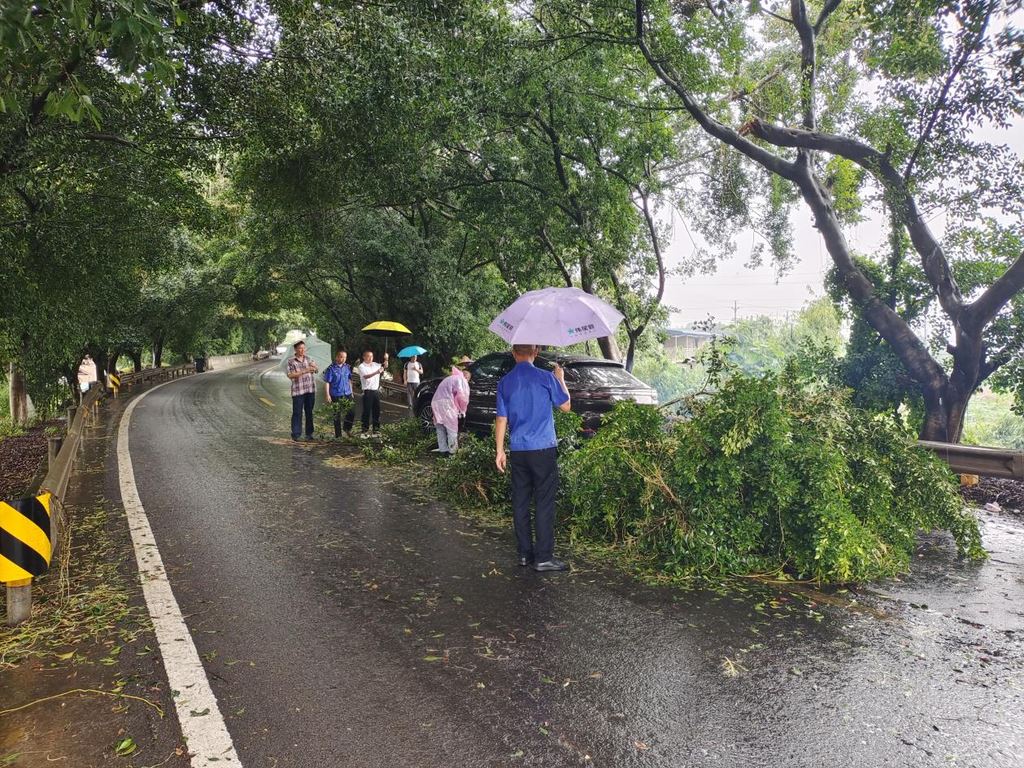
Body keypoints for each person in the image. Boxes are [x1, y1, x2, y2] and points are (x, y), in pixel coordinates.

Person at [495, 344, 571, 572]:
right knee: (544, 502)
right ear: (535, 352)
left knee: (520, 501)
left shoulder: (505, 382)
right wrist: (560, 379)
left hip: (518, 450)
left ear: (513, 353)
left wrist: (500, 450)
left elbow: (501, 419)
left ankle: (524, 555)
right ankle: (544, 557)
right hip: (543, 449)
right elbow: (566, 405)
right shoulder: (546, 378)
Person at [431, 362, 470, 456]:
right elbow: (462, 397)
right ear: (466, 377)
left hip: (436, 403)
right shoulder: (461, 380)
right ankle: (452, 453)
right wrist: (463, 410)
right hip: (446, 404)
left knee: (440, 427)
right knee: (452, 428)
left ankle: (443, 451)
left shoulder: (450, 378)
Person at [286, 340, 318, 441]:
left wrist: (315, 367)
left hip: (310, 389)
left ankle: (309, 433)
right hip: (298, 391)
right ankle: (296, 434)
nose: (302, 350)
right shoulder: (291, 361)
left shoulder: (309, 359)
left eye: (304, 348)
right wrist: (305, 370)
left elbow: (316, 370)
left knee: (309, 412)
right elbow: (290, 375)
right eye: (300, 348)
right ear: (295, 349)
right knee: (297, 413)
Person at [323, 348, 355, 438]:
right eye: (341, 357)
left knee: (352, 412)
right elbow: (327, 382)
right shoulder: (331, 368)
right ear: (337, 357)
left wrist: (352, 392)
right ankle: (338, 436)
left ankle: (347, 428)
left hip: (347, 393)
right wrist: (327, 395)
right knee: (337, 415)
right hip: (336, 394)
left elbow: (349, 380)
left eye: (345, 357)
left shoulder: (347, 367)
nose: (343, 359)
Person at [356, 349, 384, 437]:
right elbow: (366, 376)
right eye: (368, 356)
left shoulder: (376, 364)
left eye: (371, 356)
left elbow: (385, 365)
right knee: (366, 411)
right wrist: (377, 372)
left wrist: (386, 359)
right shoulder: (361, 366)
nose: (370, 358)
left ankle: (376, 430)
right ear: (364, 357)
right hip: (367, 391)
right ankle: (364, 431)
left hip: (376, 391)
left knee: (376, 411)